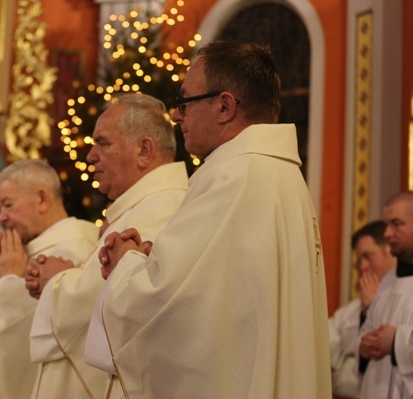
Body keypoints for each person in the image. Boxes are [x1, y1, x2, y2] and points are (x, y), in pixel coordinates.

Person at [85, 40, 331, 398]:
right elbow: (222, 293)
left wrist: (125, 265)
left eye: (184, 101)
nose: (176, 115)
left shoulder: (233, 175)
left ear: (225, 106)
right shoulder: (278, 173)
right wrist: (149, 259)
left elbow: (167, 305)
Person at [24, 93, 189, 398]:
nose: (90, 156)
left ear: (143, 150)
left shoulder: (163, 207)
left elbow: (116, 297)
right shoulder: (141, 205)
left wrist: (56, 282)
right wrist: (70, 273)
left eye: (102, 143)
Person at [0, 159, 99, 399]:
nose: (3, 218)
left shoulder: (75, 247)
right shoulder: (23, 249)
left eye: (8, 205)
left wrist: (8, 282)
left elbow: (35, 335)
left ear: (41, 199)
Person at [329, 220, 395, 399]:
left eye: (368, 256)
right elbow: (326, 352)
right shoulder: (350, 310)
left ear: (390, 251)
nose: (363, 267)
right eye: (359, 261)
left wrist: (373, 310)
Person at [358, 191, 413, 399]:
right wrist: (364, 347)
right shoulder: (387, 282)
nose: (388, 234)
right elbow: (366, 333)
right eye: (386, 225)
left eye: (396, 224)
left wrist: (396, 340)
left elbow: (392, 340)